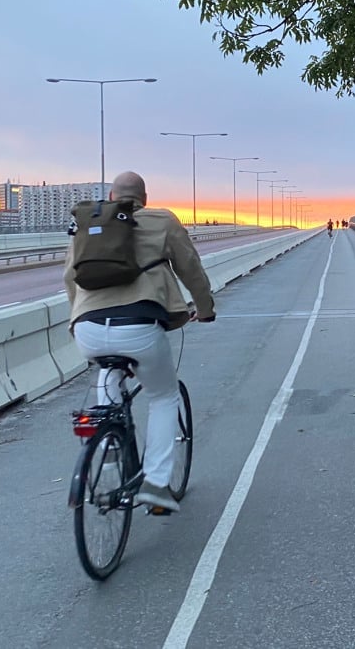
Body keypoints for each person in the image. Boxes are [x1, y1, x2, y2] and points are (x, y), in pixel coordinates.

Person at [64, 170, 216, 513]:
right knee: (163, 396)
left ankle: (109, 438)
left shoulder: (90, 223)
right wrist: (204, 309)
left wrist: (77, 320)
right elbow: (190, 267)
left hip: (88, 326)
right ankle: (156, 485)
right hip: (139, 323)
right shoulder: (161, 220)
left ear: (113, 197)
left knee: (108, 369)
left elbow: (69, 277)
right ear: (143, 198)